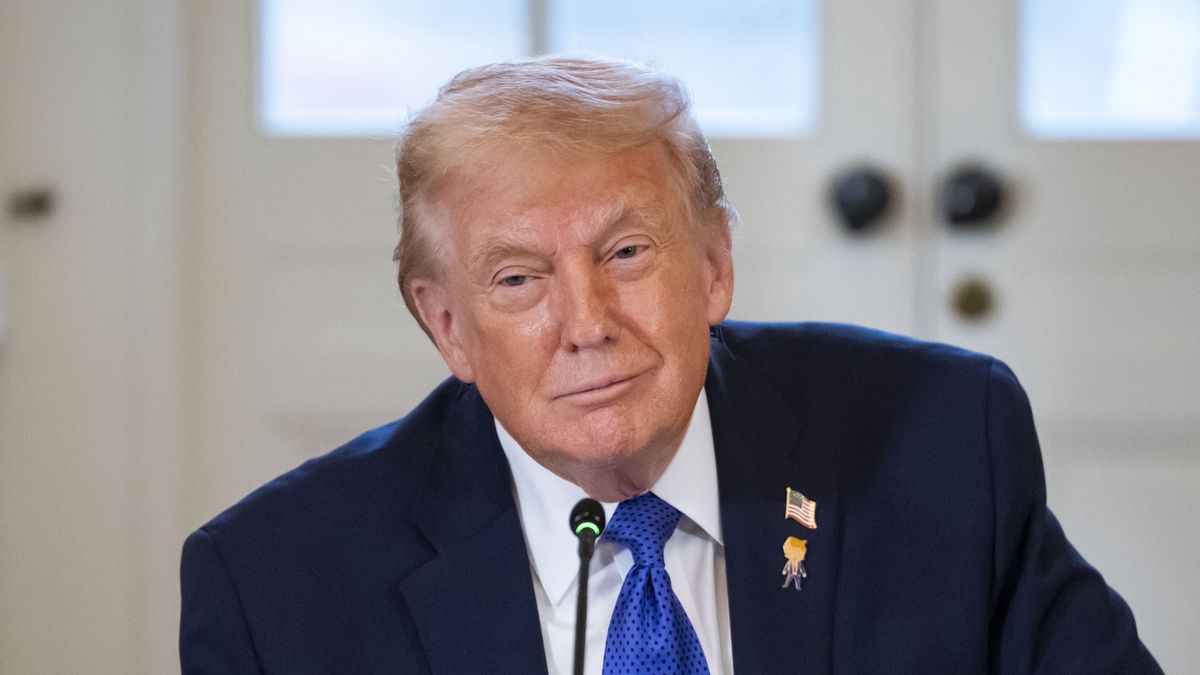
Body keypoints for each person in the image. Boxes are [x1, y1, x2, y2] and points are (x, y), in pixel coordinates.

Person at [179, 56, 1160, 674]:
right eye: (518, 280)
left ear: (715, 264)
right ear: (447, 329)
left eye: (626, 254)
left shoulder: (941, 443)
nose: (588, 322)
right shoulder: (278, 584)